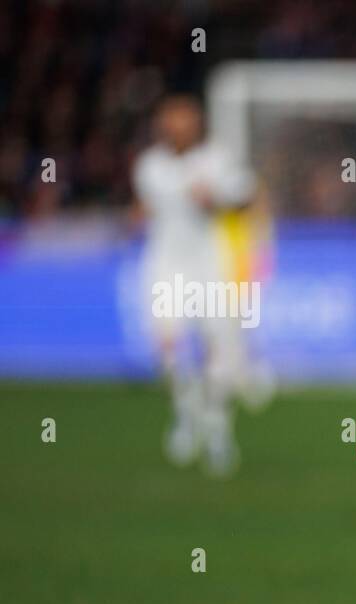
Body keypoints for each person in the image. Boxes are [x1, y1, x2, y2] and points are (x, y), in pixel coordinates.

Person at [132, 95, 262, 477]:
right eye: (172, 120)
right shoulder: (149, 166)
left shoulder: (217, 159)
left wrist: (217, 200)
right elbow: (147, 208)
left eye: (185, 120)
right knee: (170, 352)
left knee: (219, 351)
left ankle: (218, 428)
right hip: (166, 265)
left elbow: (246, 198)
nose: (178, 127)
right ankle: (187, 416)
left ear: (196, 123)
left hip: (208, 266)